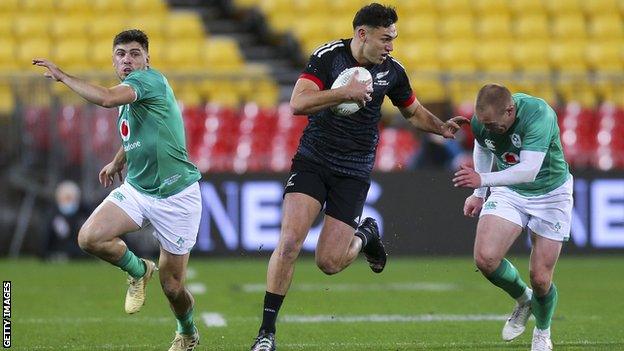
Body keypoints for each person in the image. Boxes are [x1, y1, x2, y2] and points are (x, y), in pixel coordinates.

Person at [250, 4, 468, 350]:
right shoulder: (328, 57)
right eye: (385, 39)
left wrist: (440, 127)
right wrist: (344, 92)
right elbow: (297, 103)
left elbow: (411, 110)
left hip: (353, 171)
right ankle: (266, 333)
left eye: (393, 39)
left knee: (329, 263)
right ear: (362, 35)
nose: (391, 47)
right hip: (313, 161)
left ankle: (365, 235)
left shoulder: (392, 71)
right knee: (289, 243)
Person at [33, 29, 202, 351]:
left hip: (176, 195)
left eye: (135, 53)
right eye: (121, 54)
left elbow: (107, 99)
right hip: (139, 189)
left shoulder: (149, 81)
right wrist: (116, 161)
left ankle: (187, 331)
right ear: (114, 59)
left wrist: (62, 77)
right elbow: (139, 135)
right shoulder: (132, 96)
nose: (128, 59)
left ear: (147, 59)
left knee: (173, 288)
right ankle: (139, 270)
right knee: (90, 237)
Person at [453, 84, 573, 351]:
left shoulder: (538, 113)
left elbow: (529, 170)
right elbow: (483, 147)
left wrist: (483, 179)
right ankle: (524, 300)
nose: (489, 129)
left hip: (551, 193)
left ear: (510, 110)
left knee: (541, 278)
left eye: (494, 125)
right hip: (510, 190)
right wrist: (479, 193)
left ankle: (543, 332)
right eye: (485, 125)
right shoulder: (484, 119)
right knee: (485, 259)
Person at [41, 180, 90, 260]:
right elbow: (46, 241)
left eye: (72, 198)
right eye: (66, 198)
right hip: (59, 254)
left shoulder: (85, 214)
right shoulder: (53, 216)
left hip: (81, 255)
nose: (69, 202)